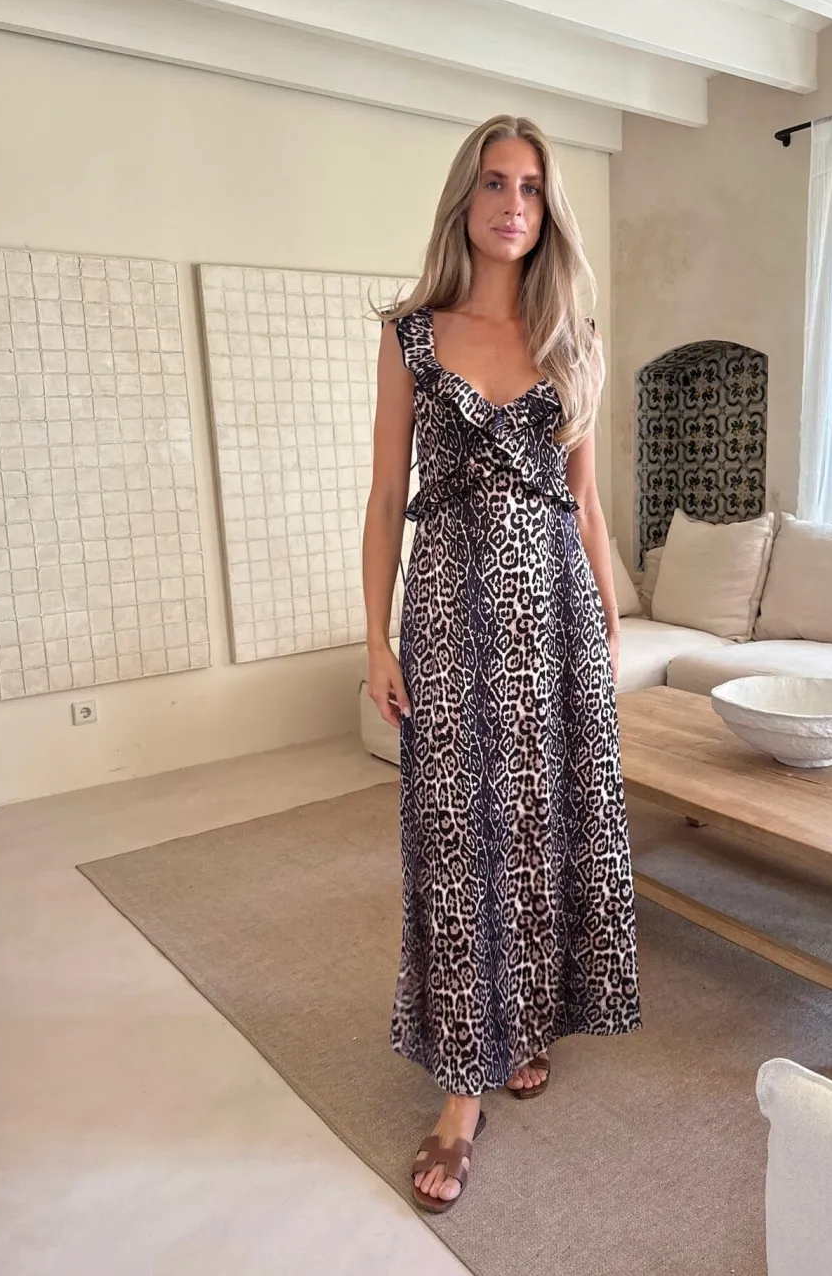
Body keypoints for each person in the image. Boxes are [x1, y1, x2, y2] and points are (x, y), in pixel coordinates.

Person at [362, 114, 642, 1214]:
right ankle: (460, 1090)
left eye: (528, 187)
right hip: (447, 611)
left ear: (545, 209)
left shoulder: (574, 338)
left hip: (555, 620)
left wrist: (610, 621)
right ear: (465, 199)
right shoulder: (411, 336)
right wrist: (375, 635)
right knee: (456, 837)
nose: (511, 203)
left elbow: (584, 501)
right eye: (492, 183)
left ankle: (526, 1022)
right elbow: (385, 495)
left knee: (538, 829)